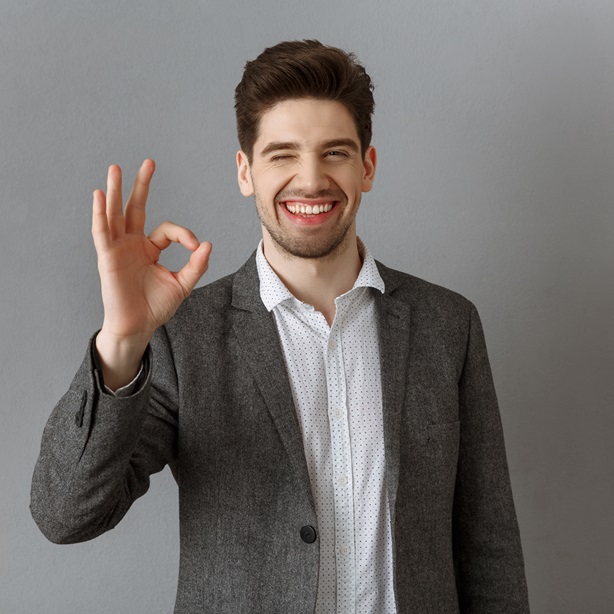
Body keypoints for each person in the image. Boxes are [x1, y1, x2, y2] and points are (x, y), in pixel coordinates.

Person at [31, 40, 530, 613]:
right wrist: (122, 340)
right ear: (246, 171)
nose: (311, 180)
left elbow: (488, 546)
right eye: (282, 154)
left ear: (367, 167)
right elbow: (64, 513)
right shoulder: (182, 337)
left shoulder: (448, 325)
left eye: (335, 153)